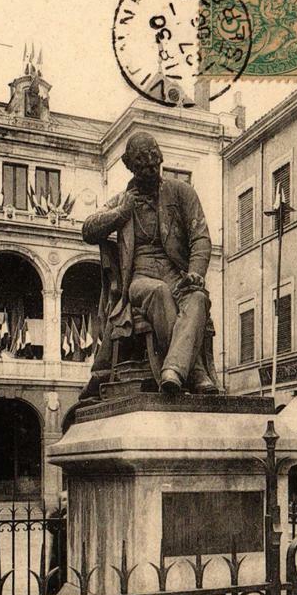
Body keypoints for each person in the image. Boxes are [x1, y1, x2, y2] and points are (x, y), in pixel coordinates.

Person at [80, 131, 217, 398]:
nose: (151, 172)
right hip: (140, 279)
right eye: (143, 168)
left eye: (155, 165)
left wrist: (195, 273)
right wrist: (121, 214)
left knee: (198, 298)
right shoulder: (121, 201)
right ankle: (195, 371)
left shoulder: (182, 192)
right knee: (159, 293)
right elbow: (88, 229)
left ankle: (175, 371)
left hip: (177, 275)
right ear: (131, 167)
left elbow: (201, 238)